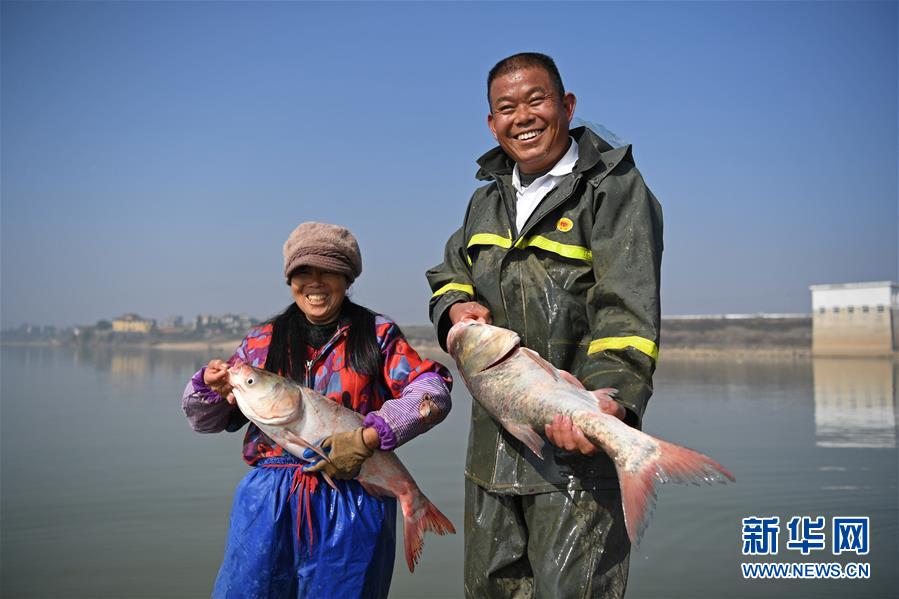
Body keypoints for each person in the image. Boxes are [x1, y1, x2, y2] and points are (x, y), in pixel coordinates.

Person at [427, 53, 663, 598]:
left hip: (576, 455)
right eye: (506, 108)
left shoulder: (612, 190)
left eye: (536, 100)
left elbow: (626, 310)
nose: (523, 117)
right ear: (492, 123)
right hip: (492, 450)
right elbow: (449, 273)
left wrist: (612, 404)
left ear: (567, 106)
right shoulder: (486, 199)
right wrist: (456, 309)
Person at [183, 221, 453, 599]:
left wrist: (369, 437)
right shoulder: (260, 341)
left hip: (354, 498)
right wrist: (207, 389)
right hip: (267, 503)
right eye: (303, 272)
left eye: (329, 271)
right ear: (289, 278)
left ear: (347, 277)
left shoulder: (378, 334)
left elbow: (432, 392)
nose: (315, 282)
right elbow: (206, 421)